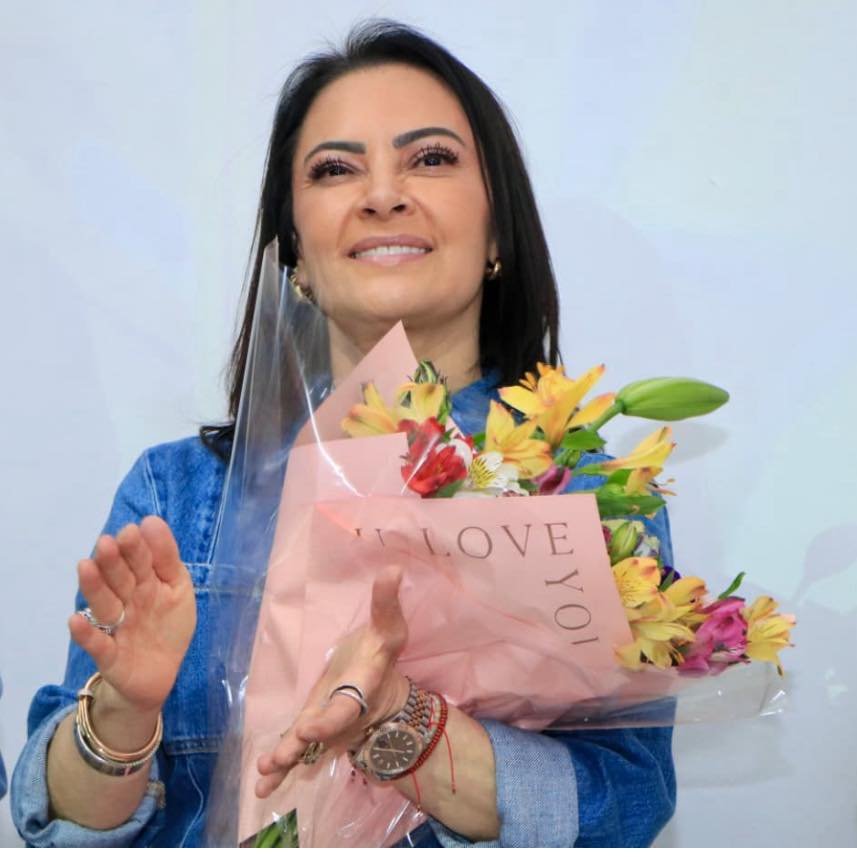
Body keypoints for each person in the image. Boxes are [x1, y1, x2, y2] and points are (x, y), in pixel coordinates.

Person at [11, 21, 676, 847]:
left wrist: (404, 724)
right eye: (334, 169)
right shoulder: (176, 493)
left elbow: (624, 806)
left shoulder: (586, 494)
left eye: (429, 158)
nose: (382, 195)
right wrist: (123, 708)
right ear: (294, 246)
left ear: (497, 232)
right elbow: (61, 829)